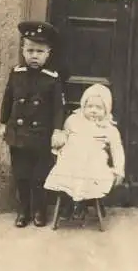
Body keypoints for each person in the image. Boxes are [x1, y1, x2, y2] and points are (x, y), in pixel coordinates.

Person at [0, 21, 66, 228]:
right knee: (21, 175)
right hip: (18, 134)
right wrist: (3, 123)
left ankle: (39, 211)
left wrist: (57, 130)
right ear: (23, 50)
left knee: (39, 177)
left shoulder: (52, 79)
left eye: (39, 51)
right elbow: (8, 99)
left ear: (48, 53)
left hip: (41, 136)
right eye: (30, 50)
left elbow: (58, 108)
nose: (34, 55)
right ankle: (23, 211)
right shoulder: (16, 73)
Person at [44, 84, 125, 215]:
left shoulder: (109, 128)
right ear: (83, 106)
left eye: (99, 107)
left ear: (106, 109)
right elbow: (65, 134)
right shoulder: (73, 120)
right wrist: (60, 139)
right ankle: (71, 202)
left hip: (94, 166)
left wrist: (119, 170)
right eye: (90, 106)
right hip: (70, 163)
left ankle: (79, 203)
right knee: (71, 167)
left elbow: (117, 149)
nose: (93, 110)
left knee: (90, 169)